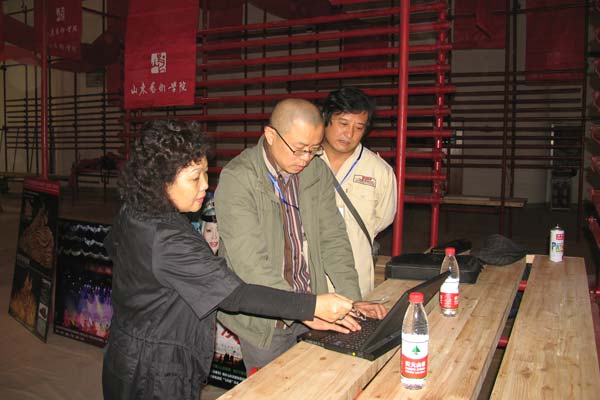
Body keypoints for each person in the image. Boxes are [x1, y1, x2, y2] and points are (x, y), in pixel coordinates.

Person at [101, 120, 358, 400]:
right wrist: (312, 305)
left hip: (125, 347)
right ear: (161, 181)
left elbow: (112, 246)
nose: (205, 185)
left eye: (205, 174)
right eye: (194, 178)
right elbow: (234, 295)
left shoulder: (134, 212)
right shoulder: (168, 238)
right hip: (155, 367)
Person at [215, 98, 387, 372]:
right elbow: (250, 264)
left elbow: (333, 239)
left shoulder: (316, 170)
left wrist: (351, 301)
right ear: (271, 135)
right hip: (265, 319)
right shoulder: (239, 178)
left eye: (314, 149)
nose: (306, 158)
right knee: (273, 387)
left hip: (310, 304)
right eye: (298, 149)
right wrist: (305, 309)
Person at [321, 87, 397, 297]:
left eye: (359, 127)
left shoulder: (379, 171)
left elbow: (383, 220)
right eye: (343, 123)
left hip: (355, 278)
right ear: (326, 118)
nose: (349, 134)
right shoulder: (302, 161)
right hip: (305, 279)